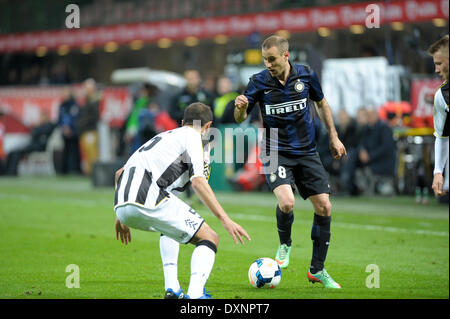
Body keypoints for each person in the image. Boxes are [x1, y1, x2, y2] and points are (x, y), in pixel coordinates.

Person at [234, 35, 346, 288]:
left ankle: (317, 270)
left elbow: (321, 103)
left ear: (286, 55)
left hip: (307, 151)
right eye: (265, 59)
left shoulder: (306, 75)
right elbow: (240, 117)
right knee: (287, 202)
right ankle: (284, 244)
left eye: (271, 59)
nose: (268, 64)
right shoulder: (258, 81)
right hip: (274, 151)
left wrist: (334, 137)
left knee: (325, 207)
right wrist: (240, 107)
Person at [114, 102, 250, 299]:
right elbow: (198, 183)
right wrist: (225, 219)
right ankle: (195, 296)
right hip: (148, 195)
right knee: (210, 237)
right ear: (208, 126)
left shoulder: (165, 136)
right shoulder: (194, 138)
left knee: (169, 226)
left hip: (123, 204)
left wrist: (121, 217)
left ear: (182, 122)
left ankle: (173, 289)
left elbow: (120, 173)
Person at [428, 35, 449, 197]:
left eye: (439, 63)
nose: (436, 70)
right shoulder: (442, 95)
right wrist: (438, 172)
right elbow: (442, 136)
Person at [77, 78, 100, 175]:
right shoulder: (88, 100)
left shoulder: (94, 100)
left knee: (92, 154)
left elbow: (94, 116)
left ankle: (94, 174)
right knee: (87, 154)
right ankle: (90, 172)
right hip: (85, 131)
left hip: (90, 130)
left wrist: (83, 122)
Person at [58, 87, 81, 174]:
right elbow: (60, 119)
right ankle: (65, 170)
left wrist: (71, 128)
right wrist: (63, 127)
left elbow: (76, 118)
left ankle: (74, 169)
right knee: (66, 151)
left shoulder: (74, 105)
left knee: (74, 151)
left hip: (74, 132)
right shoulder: (62, 106)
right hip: (64, 132)